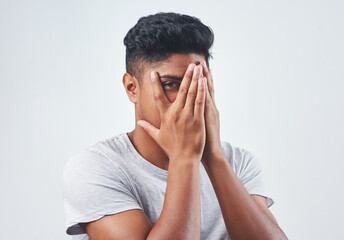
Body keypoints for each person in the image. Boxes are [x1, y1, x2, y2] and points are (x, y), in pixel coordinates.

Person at [62, 12, 287, 240]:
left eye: (196, 82)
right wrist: (184, 158)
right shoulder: (96, 168)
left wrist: (214, 156)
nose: (187, 97)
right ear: (132, 87)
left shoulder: (238, 162)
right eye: (171, 84)